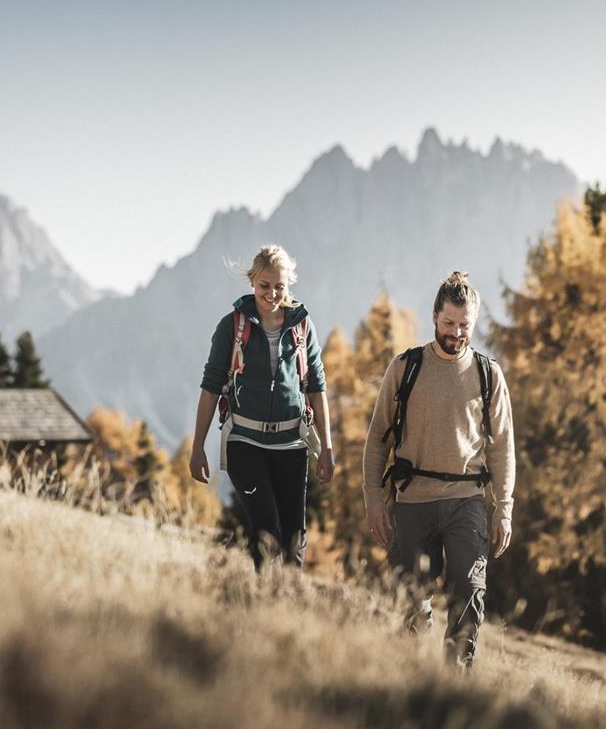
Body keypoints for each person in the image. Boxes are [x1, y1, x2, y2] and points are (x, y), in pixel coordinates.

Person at [363, 271, 515, 672]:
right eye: (449, 323)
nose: (457, 332)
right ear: (434, 316)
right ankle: (411, 682)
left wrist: (504, 509)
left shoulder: (488, 375)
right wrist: (373, 501)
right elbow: (378, 437)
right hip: (412, 498)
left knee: (468, 591)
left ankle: (454, 687)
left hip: (467, 501)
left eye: (465, 325)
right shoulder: (405, 368)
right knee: (410, 597)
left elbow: (502, 448)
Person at [191, 244, 335, 569]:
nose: (271, 294)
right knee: (267, 531)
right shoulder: (232, 326)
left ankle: (285, 613)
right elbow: (211, 386)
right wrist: (197, 446)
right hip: (245, 442)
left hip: (292, 443)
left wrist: (327, 445)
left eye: (279, 287)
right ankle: (261, 608)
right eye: (264, 286)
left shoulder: (302, 326)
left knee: (294, 542)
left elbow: (316, 386)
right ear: (252, 282)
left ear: (289, 284)